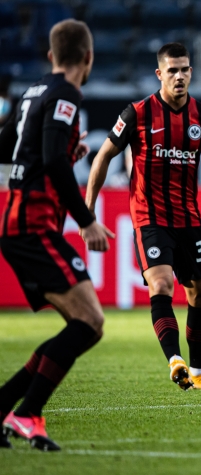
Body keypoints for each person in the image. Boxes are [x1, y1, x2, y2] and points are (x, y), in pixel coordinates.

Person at [86, 43, 201, 392]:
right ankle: (175, 360)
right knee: (161, 285)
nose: (179, 76)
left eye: (185, 69)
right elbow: (102, 159)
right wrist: (88, 213)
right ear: (159, 74)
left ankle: (200, 372)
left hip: (189, 219)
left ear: (192, 72)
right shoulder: (137, 113)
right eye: (172, 70)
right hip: (149, 218)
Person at [0, 20, 113, 451]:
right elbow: (50, 160)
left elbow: (6, 146)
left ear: (50, 56)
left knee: (79, 324)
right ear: (89, 57)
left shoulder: (32, 93)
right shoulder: (66, 95)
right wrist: (86, 219)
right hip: (33, 225)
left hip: (19, 224)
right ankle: (27, 414)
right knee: (90, 321)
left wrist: (66, 148)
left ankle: (7, 408)